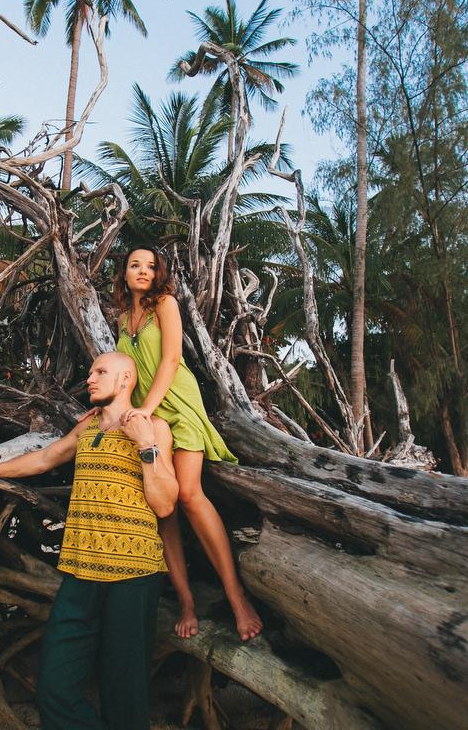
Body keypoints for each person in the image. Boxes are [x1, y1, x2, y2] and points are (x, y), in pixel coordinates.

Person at [0, 351, 179, 730]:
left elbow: (165, 504)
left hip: (133, 572)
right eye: (90, 371)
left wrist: (145, 445)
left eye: (101, 372)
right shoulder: (87, 429)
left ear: (126, 380)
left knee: (125, 694)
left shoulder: (154, 427)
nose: (90, 378)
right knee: (55, 687)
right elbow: (44, 459)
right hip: (80, 570)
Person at [114, 245, 263, 642]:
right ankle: (186, 601)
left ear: (158, 272)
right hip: (149, 415)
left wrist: (146, 408)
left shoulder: (165, 303)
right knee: (162, 508)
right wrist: (115, 413)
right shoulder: (122, 318)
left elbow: (171, 359)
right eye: (134, 265)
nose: (142, 271)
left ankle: (236, 597)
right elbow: (124, 374)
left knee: (190, 494)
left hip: (176, 403)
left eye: (150, 265)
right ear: (124, 274)